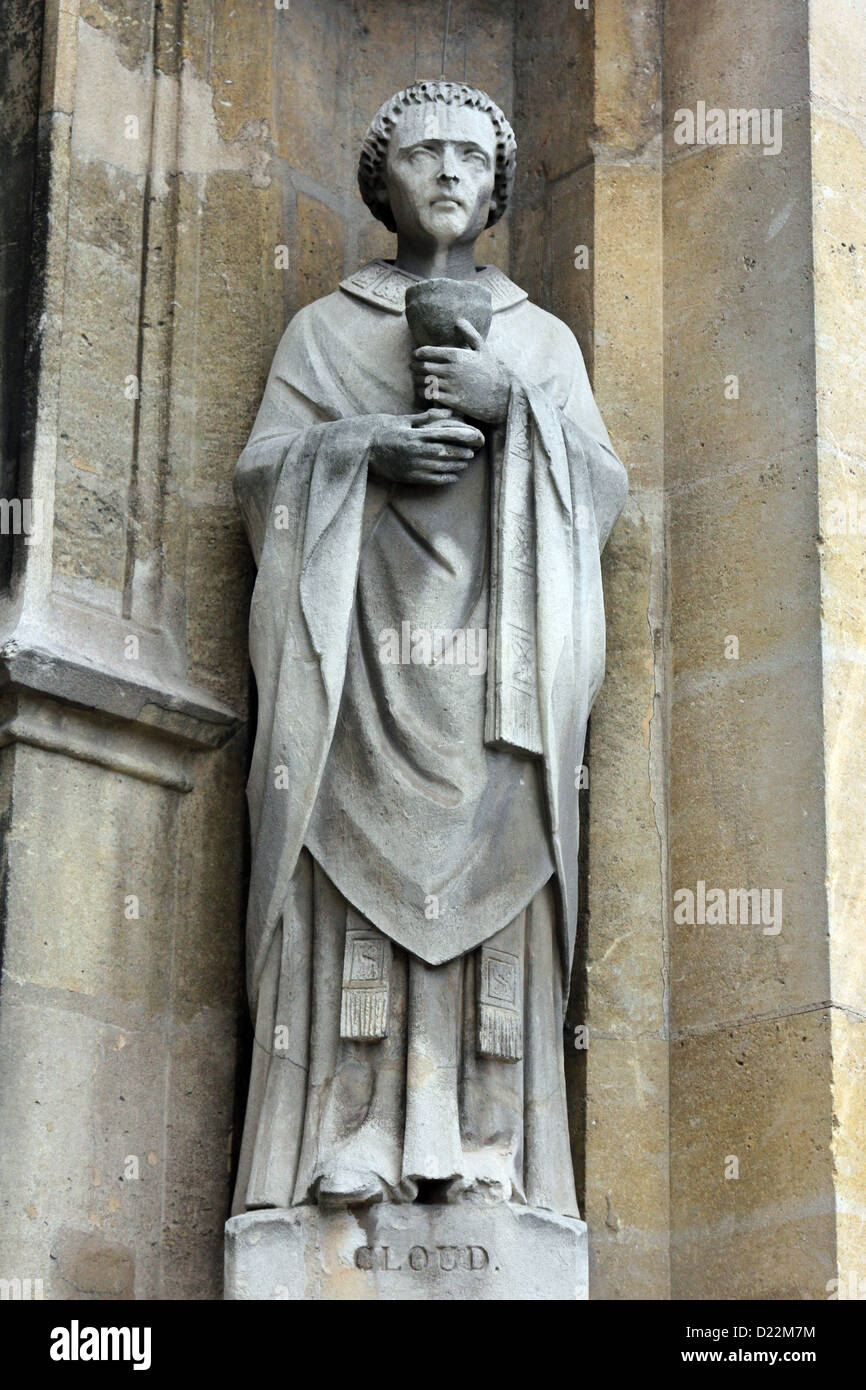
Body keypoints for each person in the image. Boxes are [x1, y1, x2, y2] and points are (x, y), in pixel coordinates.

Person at [232, 80, 627, 1216]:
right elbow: (261, 480)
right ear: (381, 181)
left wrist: (517, 410)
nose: (446, 172)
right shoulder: (323, 329)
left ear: (498, 185)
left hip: (502, 678)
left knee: (502, 889)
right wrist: (365, 449)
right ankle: (350, 1123)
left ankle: (492, 1141)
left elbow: (599, 498)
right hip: (361, 670)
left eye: (468, 155)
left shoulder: (539, 341)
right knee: (354, 880)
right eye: (420, 155)